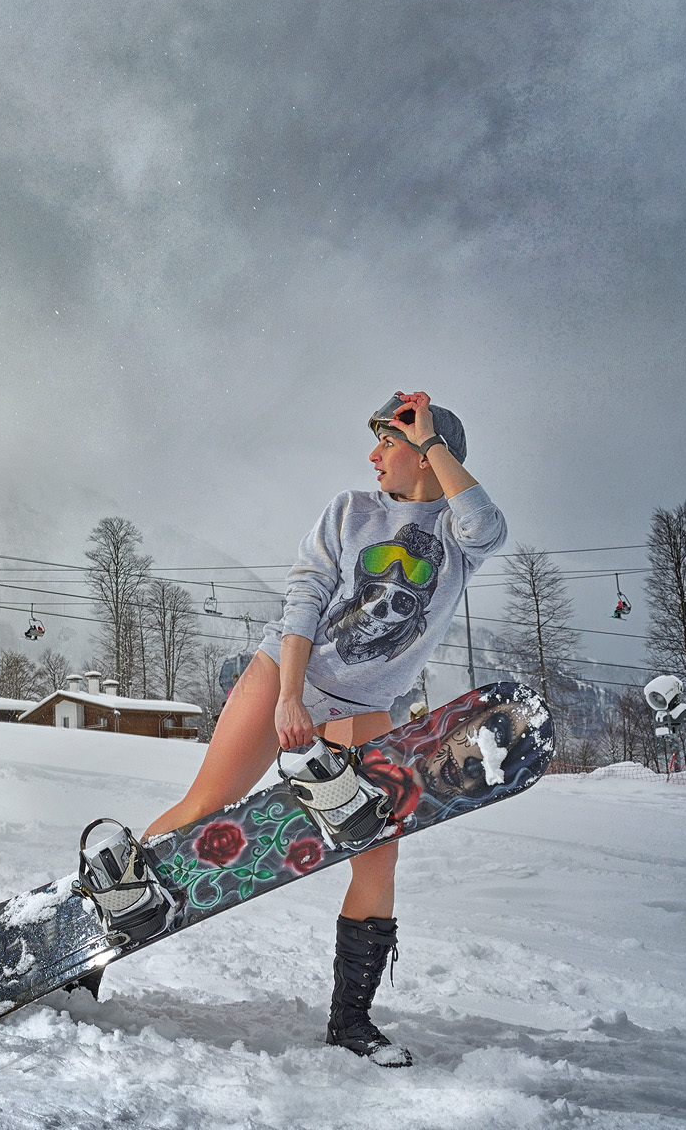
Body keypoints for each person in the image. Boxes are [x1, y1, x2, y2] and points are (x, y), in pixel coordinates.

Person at [137, 390, 506, 1067]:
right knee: (206, 805)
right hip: (288, 676)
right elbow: (304, 599)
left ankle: (351, 1023)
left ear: (427, 452)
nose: (373, 455)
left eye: (387, 443)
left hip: (368, 708)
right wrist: (287, 698)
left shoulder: (458, 536)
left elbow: (489, 525)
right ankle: (102, 910)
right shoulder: (351, 511)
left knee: (377, 851)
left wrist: (429, 442)